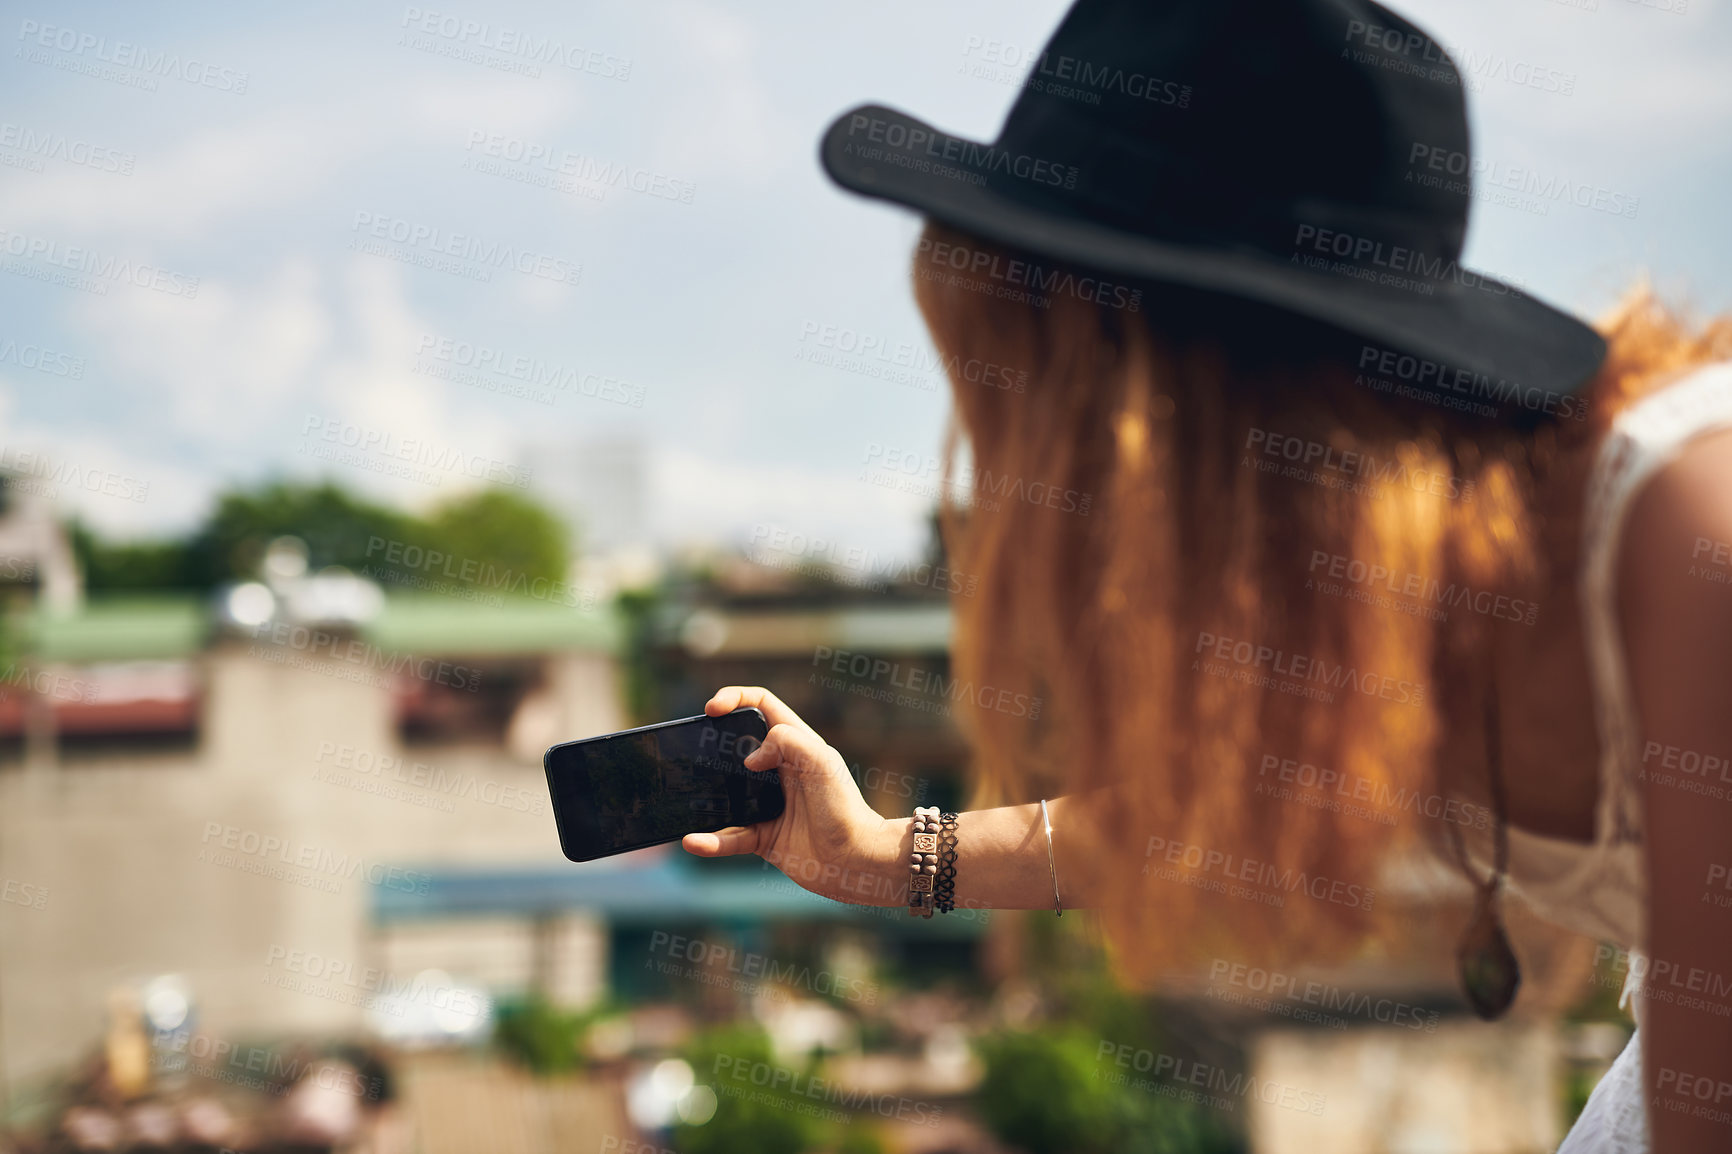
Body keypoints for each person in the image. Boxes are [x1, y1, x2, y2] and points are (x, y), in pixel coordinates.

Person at [684, 0, 1732, 1150]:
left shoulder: (1683, 535)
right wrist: (889, 855)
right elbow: (1237, 809)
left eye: (1032, 404)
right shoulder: (1401, 564)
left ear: (1154, 409)